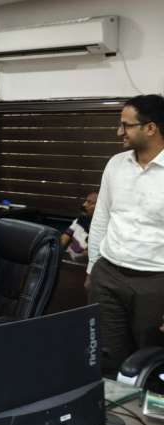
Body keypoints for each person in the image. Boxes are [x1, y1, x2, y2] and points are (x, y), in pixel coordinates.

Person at [87, 94, 164, 374]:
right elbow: (101, 218)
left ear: (150, 128)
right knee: (105, 359)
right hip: (108, 275)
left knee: (148, 364)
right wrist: (92, 268)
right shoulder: (116, 164)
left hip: (155, 282)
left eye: (126, 125)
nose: (119, 132)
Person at [61, 191, 98, 262]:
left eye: (89, 202)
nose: (84, 205)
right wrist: (57, 248)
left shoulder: (101, 228)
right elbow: (66, 236)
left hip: (83, 262)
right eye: (86, 201)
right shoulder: (81, 219)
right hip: (69, 255)